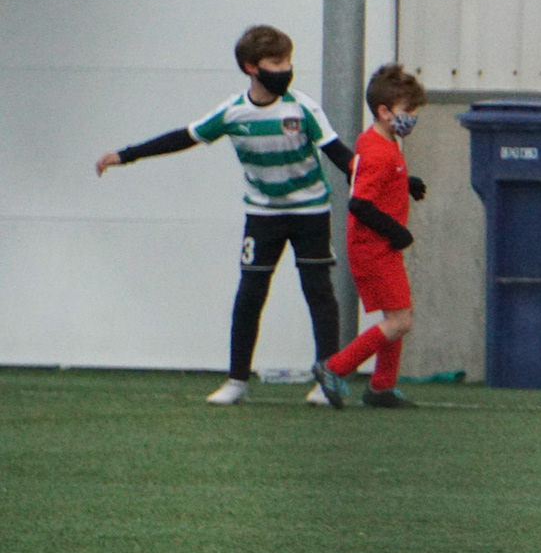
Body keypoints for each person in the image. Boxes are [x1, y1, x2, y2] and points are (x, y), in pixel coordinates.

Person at [95, 24, 353, 407]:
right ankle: (237, 381)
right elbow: (184, 137)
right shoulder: (233, 112)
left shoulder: (303, 108)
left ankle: (326, 381)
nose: (285, 68)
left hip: (311, 212)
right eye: (276, 62)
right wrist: (126, 155)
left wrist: (385, 180)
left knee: (319, 291)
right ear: (251, 67)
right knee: (250, 293)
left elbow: (340, 155)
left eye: (287, 61)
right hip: (262, 215)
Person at [313, 64, 428, 409]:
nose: (412, 117)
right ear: (384, 111)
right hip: (375, 247)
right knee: (400, 321)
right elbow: (360, 203)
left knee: (397, 315)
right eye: (408, 110)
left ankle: (381, 387)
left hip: (379, 247)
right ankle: (334, 368)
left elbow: (363, 176)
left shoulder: (376, 140)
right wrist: (396, 231)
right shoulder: (379, 150)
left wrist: (404, 183)